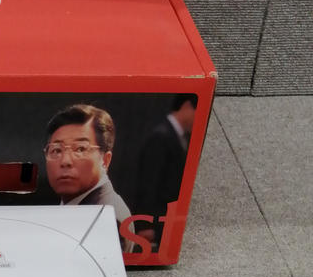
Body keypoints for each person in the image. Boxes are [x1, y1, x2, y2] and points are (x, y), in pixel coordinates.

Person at [42, 104, 134, 251]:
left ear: (105, 160)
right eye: (57, 150)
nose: (65, 161)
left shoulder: (108, 220)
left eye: (80, 149)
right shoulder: (78, 205)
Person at [135, 94, 197, 252]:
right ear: (187, 106)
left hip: (166, 221)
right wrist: (146, 224)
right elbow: (148, 183)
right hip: (155, 224)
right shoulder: (161, 137)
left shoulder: (176, 137)